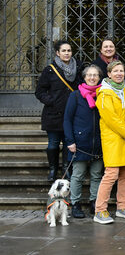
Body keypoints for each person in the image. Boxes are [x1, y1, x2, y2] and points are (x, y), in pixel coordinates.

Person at [94, 61, 125, 224]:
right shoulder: (104, 94)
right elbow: (112, 121)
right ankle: (100, 210)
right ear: (109, 74)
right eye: (116, 71)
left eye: (121, 71)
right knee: (111, 175)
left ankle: (122, 207)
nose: (119, 74)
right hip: (114, 139)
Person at [35, 40, 83, 182]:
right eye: (64, 51)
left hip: (73, 114)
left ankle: (66, 169)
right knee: (53, 144)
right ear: (57, 53)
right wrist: (52, 101)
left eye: (69, 50)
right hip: (53, 114)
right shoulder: (49, 70)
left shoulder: (79, 68)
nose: (67, 53)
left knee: (69, 144)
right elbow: (39, 91)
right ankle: (53, 169)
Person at [63, 64, 103, 218]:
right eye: (89, 75)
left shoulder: (103, 94)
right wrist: (70, 141)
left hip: (99, 142)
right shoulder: (75, 95)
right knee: (78, 175)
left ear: (99, 77)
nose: (92, 78)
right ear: (85, 77)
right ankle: (75, 204)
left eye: (95, 75)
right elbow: (67, 119)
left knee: (96, 174)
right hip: (80, 143)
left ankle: (94, 202)